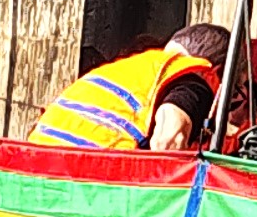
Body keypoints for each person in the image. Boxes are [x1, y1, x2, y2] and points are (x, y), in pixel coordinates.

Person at [32, 21, 230, 151]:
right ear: (220, 71)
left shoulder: (127, 68)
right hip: (88, 180)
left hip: (35, 172)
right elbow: (168, 142)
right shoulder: (191, 78)